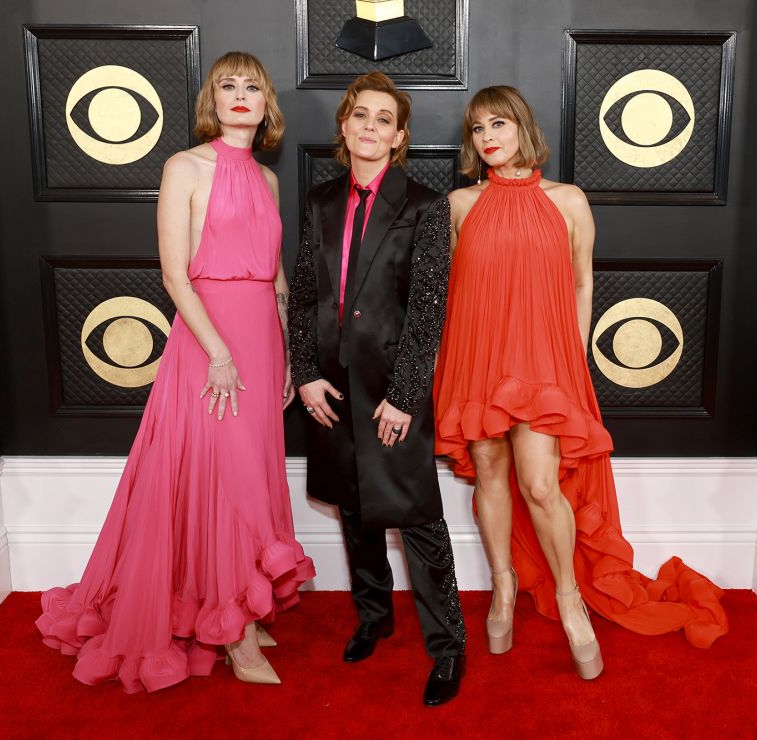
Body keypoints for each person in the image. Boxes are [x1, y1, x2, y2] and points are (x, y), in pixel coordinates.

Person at [36, 51, 315, 692]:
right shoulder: (184, 167)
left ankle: (235, 606)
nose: (240, 95)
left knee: (253, 478)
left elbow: (274, 275)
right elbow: (173, 274)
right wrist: (218, 352)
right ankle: (235, 636)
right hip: (207, 336)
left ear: (267, 103)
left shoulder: (269, 181)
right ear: (211, 102)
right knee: (224, 483)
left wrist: (285, 357)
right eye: (228, 86)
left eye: (252, 86)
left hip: (259, 337)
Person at [433, 86, 728, 678]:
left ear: (523, 127)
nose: (487, 137)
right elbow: (451, 293)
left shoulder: (567, 200)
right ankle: (503, 589)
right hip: (476, 355)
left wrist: (571, 359)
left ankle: (569, 597)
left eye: (499, 124)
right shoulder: (460, 204)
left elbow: (582, 285)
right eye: (477, 129)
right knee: (489, 471)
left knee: (542, 485)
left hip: (543, 363)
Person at [288, 71, 466, 706]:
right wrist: (304, 373)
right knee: (354, 508)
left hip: (393, 387)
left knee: (416, 517)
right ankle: (374, 616)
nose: (369, 126)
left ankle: (447, 647)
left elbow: (428, 309)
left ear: (399, 135)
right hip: (329, 386)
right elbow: (305, 296)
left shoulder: (425, 205)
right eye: (360, 115)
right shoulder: (318, 202)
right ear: (344, 126)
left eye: (383, 118)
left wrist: (408, 395)